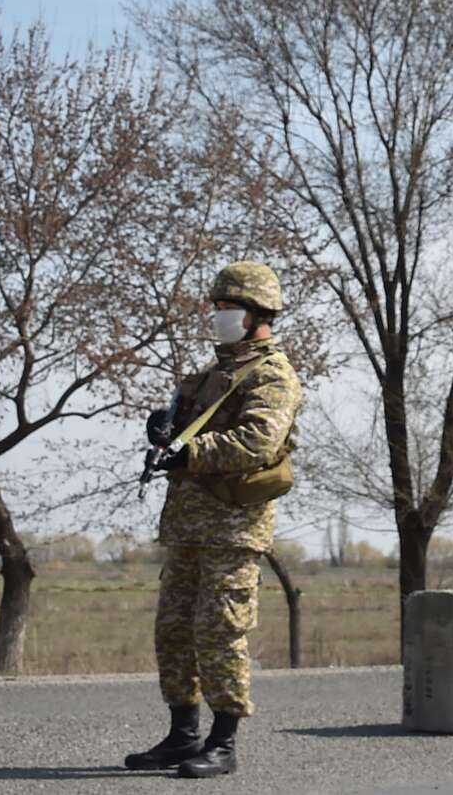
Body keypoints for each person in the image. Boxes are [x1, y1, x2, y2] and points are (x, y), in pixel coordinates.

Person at [125, 262, 303, 779]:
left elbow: (258, 441)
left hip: (232, 528)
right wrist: (164, 428)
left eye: (229, 309)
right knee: (175, 631)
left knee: (220, 632)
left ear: (257, 315)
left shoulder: (272, 374)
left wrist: (190, 453)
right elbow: (180, 427)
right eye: (218, 308)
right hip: (188, 525)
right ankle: (183, 736)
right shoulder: (207, 374)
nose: (219, 317)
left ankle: (223, 744)